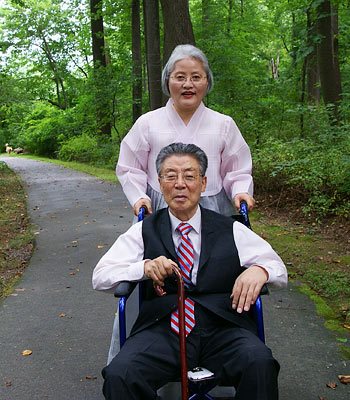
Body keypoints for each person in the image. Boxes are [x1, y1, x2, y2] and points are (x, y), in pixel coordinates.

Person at [93, 143, 287, 400]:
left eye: (189, 176)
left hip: (223, 327)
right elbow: (101, 276)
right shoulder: (144, 230)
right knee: (121, 374)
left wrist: (261, 270)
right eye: (170, 176)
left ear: (204, 183)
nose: (180, 184)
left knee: (259, 363)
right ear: (160, 184)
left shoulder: (231, 229)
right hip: (163, 329)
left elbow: (279, 269)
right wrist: (144, 267)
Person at [116, 44, 255, 218]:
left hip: (213, 209)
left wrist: (240, 191)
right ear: (167, 80)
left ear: (207, 81)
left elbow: (238, 169)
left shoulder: (224, 124)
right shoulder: (147, 123)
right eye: (180, 77)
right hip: (160, 208)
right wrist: (138, 197)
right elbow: (129, 167)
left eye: (196, 77)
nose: (188, 84)